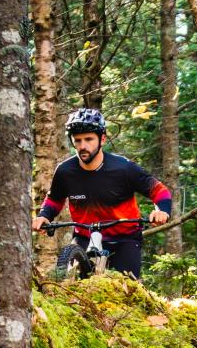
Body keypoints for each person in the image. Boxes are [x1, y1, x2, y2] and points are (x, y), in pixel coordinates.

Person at [31, 108, 172, 279]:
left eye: (89, 139)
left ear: (102, 139)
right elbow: (55, 199)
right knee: (73, 288)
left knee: (125, 289)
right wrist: (45, 215)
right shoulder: (65, 171)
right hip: (84, 236)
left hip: (123, 239)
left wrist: (162, 211)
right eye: (78, 140)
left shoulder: (123, 168)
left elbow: (158, 190)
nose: (83, 146)